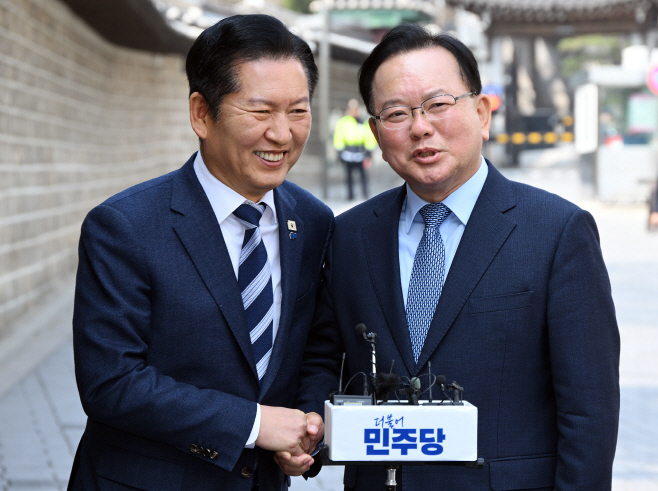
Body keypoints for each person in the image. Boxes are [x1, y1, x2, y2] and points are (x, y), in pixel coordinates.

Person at [293, 24, 620, 490]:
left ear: (482, 113)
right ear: (376, 134)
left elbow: (589, 412)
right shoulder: (349, 235)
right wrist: (310, 424)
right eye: (396, 113)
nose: (420, 127)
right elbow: (324, 357)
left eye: (439, 104)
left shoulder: (557, 232)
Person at [68, 14, 333, 490]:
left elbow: (316, 347)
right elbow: (111, 382)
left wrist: (308, 428)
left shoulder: (314, 221)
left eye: (298, 111)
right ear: (201, 114)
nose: (282, 134)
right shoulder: (125, 226)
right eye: (260, 111)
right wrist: (254, 424)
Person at [333, 99, 377, 200]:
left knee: (363, 175)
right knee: (348, 175)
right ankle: (350, 196)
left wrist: (369, 152)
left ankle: (365, 195)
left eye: (356, 109)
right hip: (348, 152)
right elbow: (338, 136)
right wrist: (339, 151)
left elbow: (369, 136)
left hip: (361, 152)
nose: (354, 111)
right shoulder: (343, 122)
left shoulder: (364, 122)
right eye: (352, 109)